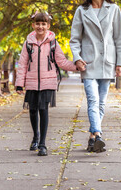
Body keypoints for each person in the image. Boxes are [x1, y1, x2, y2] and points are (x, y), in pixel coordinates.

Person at [69, 0, 121, 153]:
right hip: (88, 62)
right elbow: (74, 39)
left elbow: (119, 39)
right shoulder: (81, 11)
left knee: (101, 103)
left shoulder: (114, 9)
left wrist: (120, 63)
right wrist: (77, 58)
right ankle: (99, 134)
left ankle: (92, 138)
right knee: (93, 100)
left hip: (108, 62)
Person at [15, 12, 77, 156]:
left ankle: (42, 144)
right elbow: (23, 64)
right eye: (38, 23)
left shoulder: (53, 43)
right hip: (31, 82)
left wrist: (76, 66)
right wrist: (19, 84)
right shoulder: (28, 43)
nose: (40, 26)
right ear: (33, 25)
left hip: (48, 82)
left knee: (43, 110)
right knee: (32, 110)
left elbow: (61, 61)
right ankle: (35, 137)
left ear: (48, 26)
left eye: (43, 24)